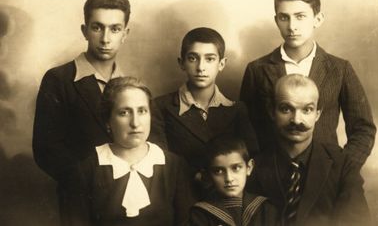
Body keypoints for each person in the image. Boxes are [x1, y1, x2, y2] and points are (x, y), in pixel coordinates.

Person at [240, 0, 376, 166]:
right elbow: (245, 129)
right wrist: (261, 169)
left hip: (325, 178)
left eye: (300, 17)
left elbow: (363, 129)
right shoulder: (257, 70)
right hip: (272, 178)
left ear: (317, 19)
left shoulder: (339, 69)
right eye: (284, 18)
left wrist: (340, 169)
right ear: (276, 21)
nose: (291, 26)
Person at [32, 0, 130, 222]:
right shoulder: (59, 79)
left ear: (125, 33)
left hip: (127, 197)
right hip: (80, 199)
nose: (106, 38)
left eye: (115, 29)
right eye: (97, 27)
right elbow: (46, 149)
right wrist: (91, 183)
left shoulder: (129, 86)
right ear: (85, 31)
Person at [65, 77, 195, 226]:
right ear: (108, 120)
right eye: (124, 112)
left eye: (142, 111)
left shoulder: (175, 166)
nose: (135, 123)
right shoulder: (85, 171)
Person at [248, 74, 370, 226]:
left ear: (317, 114)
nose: (297, 120)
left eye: (307, 110)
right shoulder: (253, 168)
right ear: (272, 111)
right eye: (286, 109)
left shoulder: (342, 164)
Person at [151, 27, 259, 193]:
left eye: (209, 59)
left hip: (227, 199)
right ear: (182, 63)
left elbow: (251, 159)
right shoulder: (161, 107)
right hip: (181, 196)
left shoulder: (236, 110)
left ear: (221, 64)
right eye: (193, 58)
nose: (201, 67)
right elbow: (160, 164)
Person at [189, 137, 278, 226]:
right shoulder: (201, 214)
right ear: (208, 175)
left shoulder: (265, 209)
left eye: (236, 168)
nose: (229, 178)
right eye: (219, 171)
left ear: (249, 168)